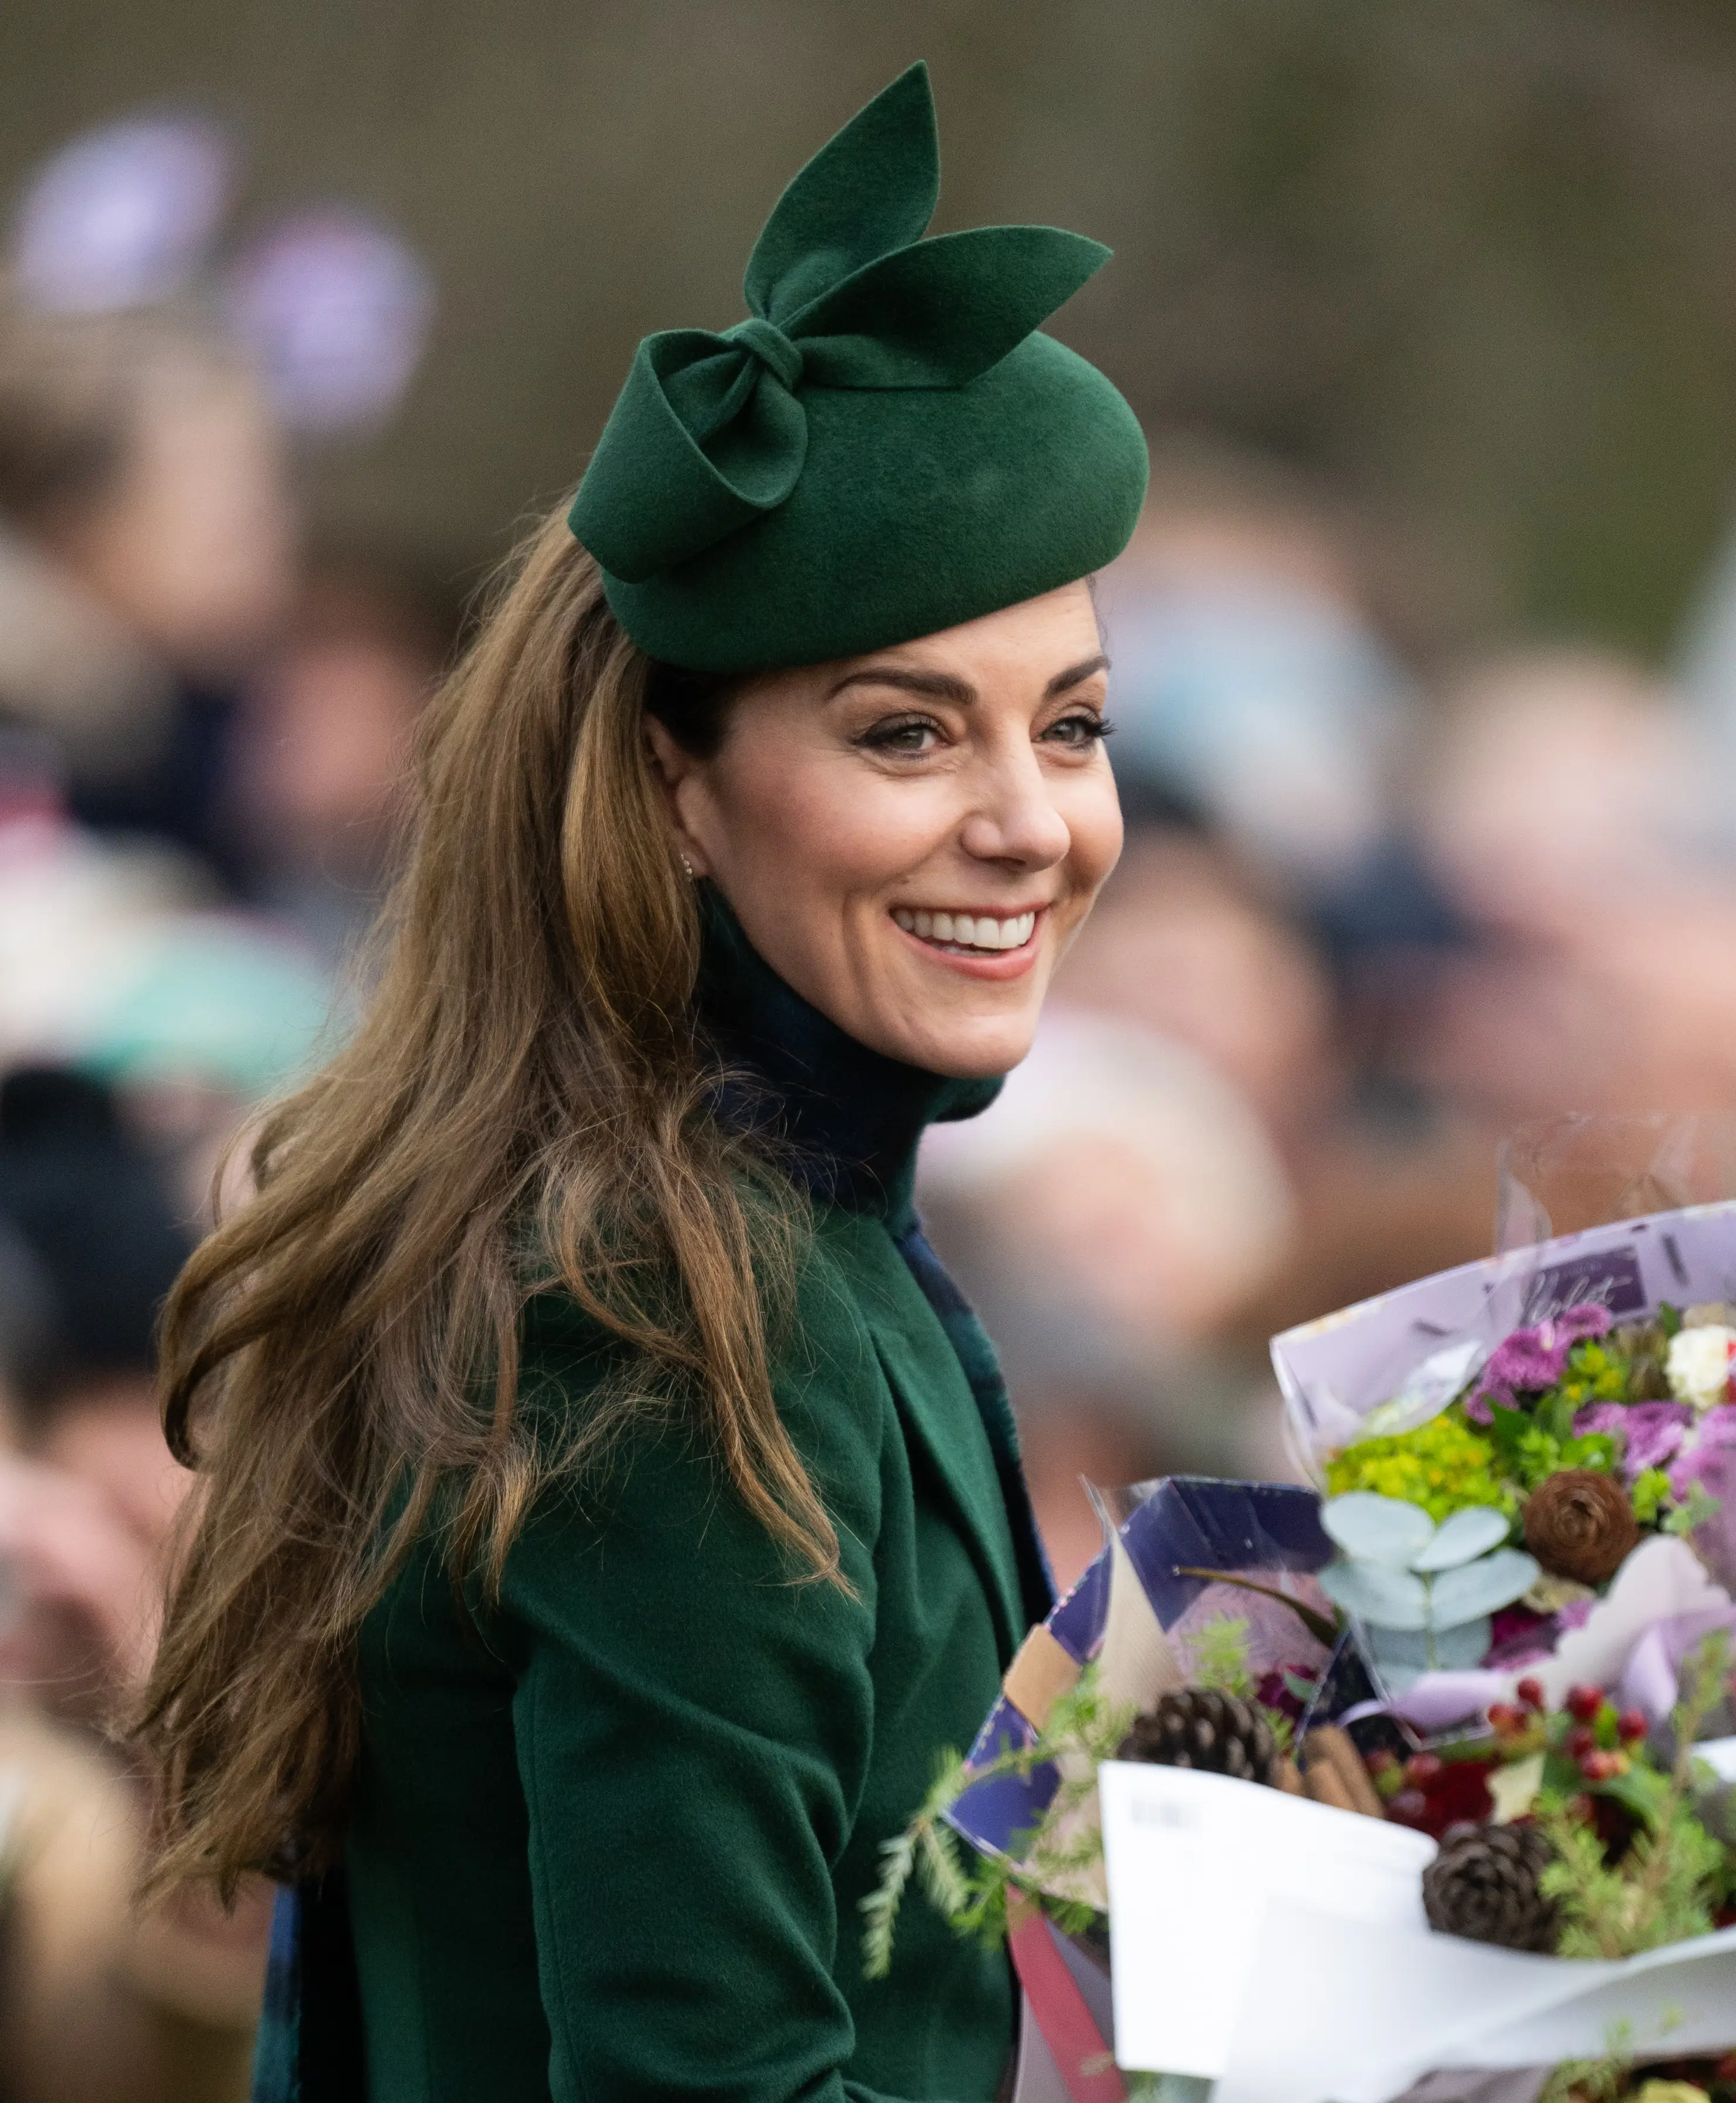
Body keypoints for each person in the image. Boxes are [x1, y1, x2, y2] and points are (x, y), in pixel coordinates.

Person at [136, 63, 1148, 2103]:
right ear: (672, 784)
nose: (1031, 822)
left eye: (1072, 725)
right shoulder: (680, 1313)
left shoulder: (752, 1228)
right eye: (905, 735)